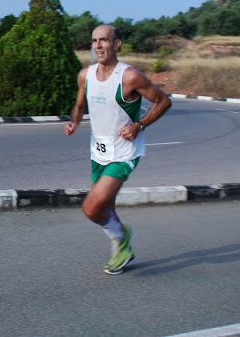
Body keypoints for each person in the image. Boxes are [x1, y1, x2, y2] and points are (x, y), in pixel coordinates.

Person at [64, 24, 172, 275]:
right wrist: (74, 121)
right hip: (97, 152)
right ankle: (122, 248)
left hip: (124, 153)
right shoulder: (85, 75)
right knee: (105, 208)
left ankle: (121, 237)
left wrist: (139, 126)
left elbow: (163, 101)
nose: (98, 46)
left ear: (117, 44)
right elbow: (79, 106)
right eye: (94, 41)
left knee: (91, 208)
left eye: (104, 40)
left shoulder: (129, 77)